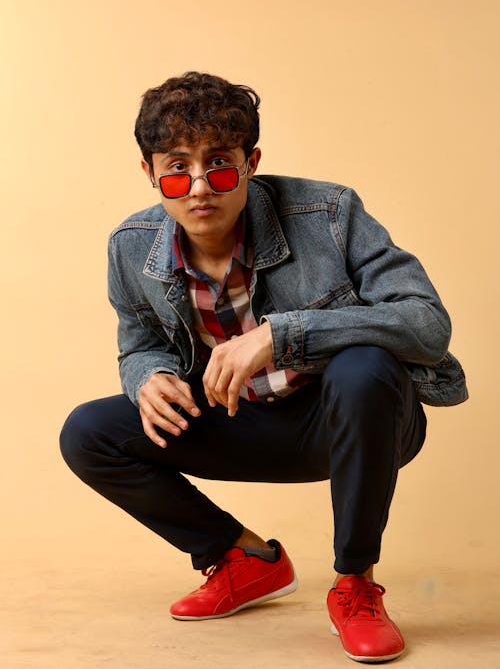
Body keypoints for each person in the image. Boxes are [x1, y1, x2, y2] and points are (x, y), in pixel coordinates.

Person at [60, 71, 467, 663]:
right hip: (240, 420)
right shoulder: (131, 246)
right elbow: (140, 340)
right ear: (150, 172)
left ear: (251, 163)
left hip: (352, 421)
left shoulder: (328, 213)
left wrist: (284, 335)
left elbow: (427, 324)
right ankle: (244, 560)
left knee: (364, 365)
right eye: (177, 168)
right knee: (87, 432)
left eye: (219, 166)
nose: (199, 188)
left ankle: (356, 584)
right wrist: (148, 376)